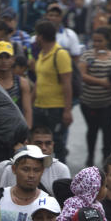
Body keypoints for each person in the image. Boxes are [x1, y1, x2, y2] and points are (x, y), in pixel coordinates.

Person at [78, 28, 111, 167]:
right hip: (89, 101)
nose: (97, 43)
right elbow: (82, 75)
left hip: (110, 102)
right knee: (92, 129)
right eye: (95, 40)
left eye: (100, 41)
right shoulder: (87, 56)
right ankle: (90, 155)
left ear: (107, 41)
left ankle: (107, 158)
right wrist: (102, 82)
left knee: (108, 130)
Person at [32, 19, 74, 163]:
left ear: (42, 37)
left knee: (56, 143)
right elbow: (39, 80)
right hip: (39, 107)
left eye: (37, 35)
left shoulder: (60, 54)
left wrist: (67, 111)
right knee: (37, 144)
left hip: (55, 108)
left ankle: (61, 176)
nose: (36, 38)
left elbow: (67, 84)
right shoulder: (42, 54)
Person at [0, 126, 70, 193]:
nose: (44, 148)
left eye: (48, 143)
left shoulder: (61, 169)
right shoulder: (4, 168)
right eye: (38, 143)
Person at [0, 145, 53, 221]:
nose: (31, 175)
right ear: (14, 169)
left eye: (36, 170)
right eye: (26, 169)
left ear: (42, 171)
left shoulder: (49, 203)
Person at [0, 40, 33, 127]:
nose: (4, 61)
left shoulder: (22, 83)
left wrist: (27, 132)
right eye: (0, 57)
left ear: (13, 59)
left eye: (7, 57)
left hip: (15, 129)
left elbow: (27, 110)